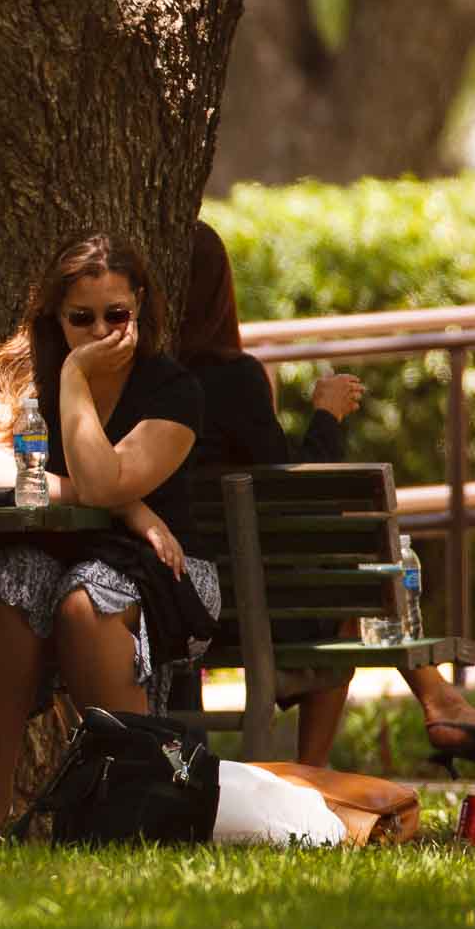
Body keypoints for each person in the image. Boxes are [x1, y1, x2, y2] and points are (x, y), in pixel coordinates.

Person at [0, 233, 220, 838]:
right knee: (9, 581)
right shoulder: (17, 381)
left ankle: (128, 802)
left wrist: (73, 378)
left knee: (86, 599)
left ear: (140, 306)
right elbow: (3, 484)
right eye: (81, 318)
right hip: (62, 550)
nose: (100, 331)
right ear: (54, 315)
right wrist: (133, 509)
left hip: (161, 571)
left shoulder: (172, 390)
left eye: (116, 315)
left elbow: (100, 481)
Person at [177, 220, 475, 767]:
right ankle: (314, 773)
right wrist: (326, 415)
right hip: (251, 608)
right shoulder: (233, 378)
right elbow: (297, 497)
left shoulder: (148, 382)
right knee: (348, 601)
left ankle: (441, 699)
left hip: (178, 603)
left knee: (343, 591)